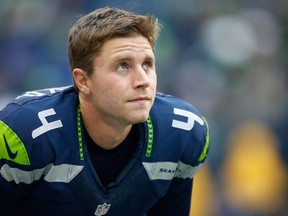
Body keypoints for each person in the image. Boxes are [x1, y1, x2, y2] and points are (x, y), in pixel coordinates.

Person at [0, 7, 210, 216]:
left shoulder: (183, 133)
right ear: (83, 81)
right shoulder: (25, 133)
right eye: (122, 66)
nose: (143, 81)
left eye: (147, 64)